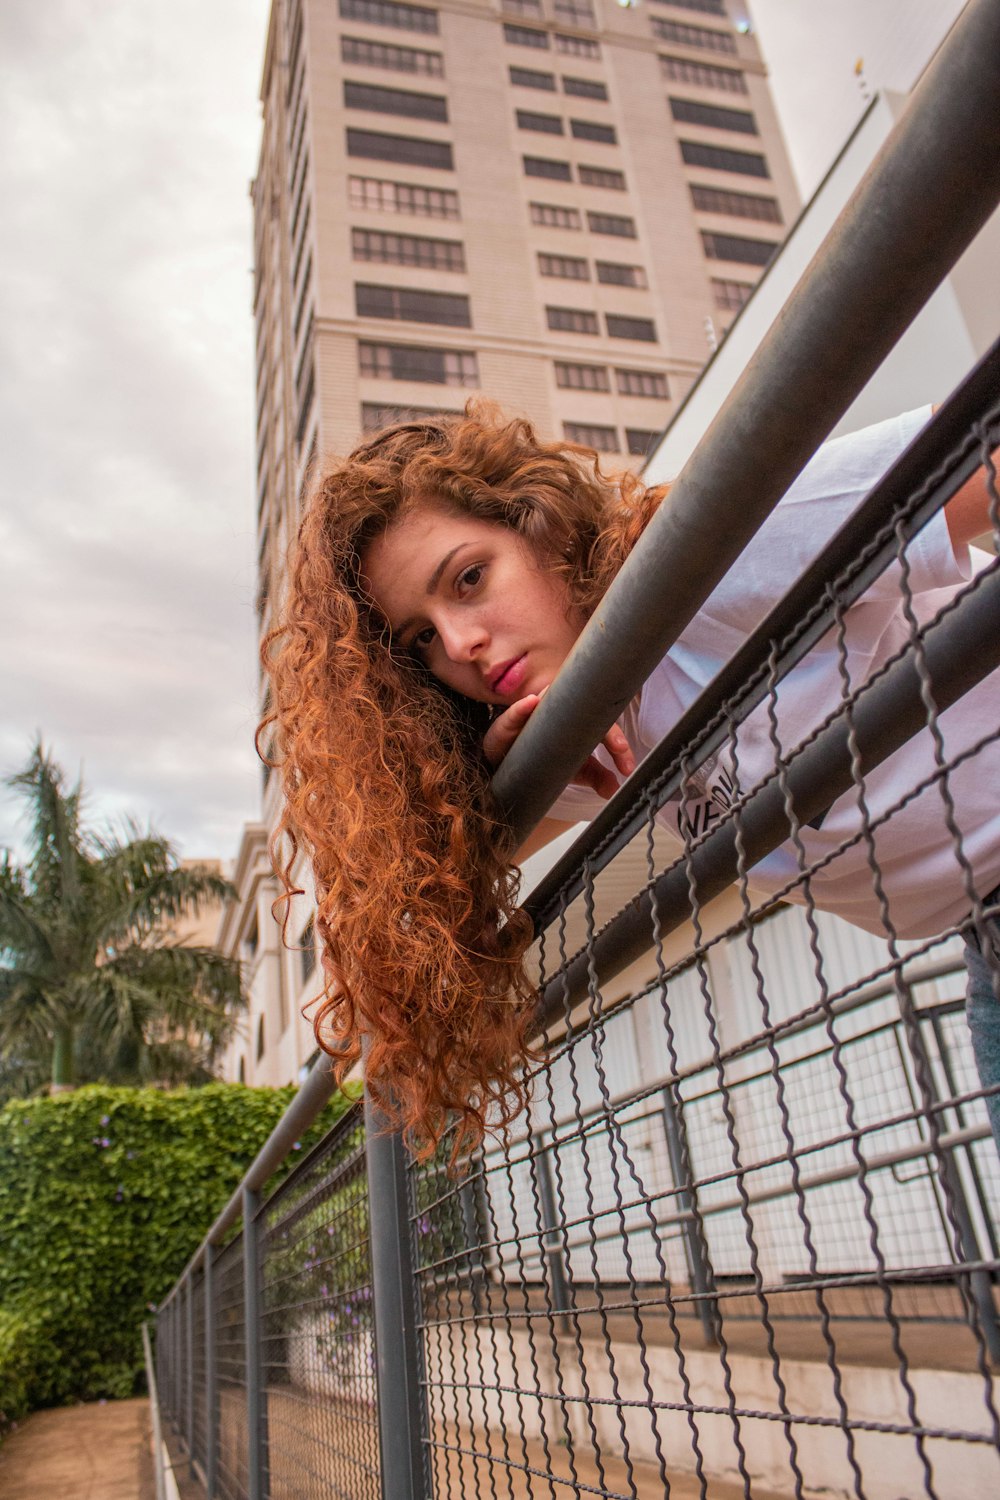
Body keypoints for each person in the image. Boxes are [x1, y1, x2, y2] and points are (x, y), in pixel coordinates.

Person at [263, 402, 1000, 1158]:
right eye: (422, 639)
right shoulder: (584, 742)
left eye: (471, 578)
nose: (461, 642)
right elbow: (400, 898)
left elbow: (985, 453)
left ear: (540, 523)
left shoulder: (703, 557)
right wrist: (486, 779)